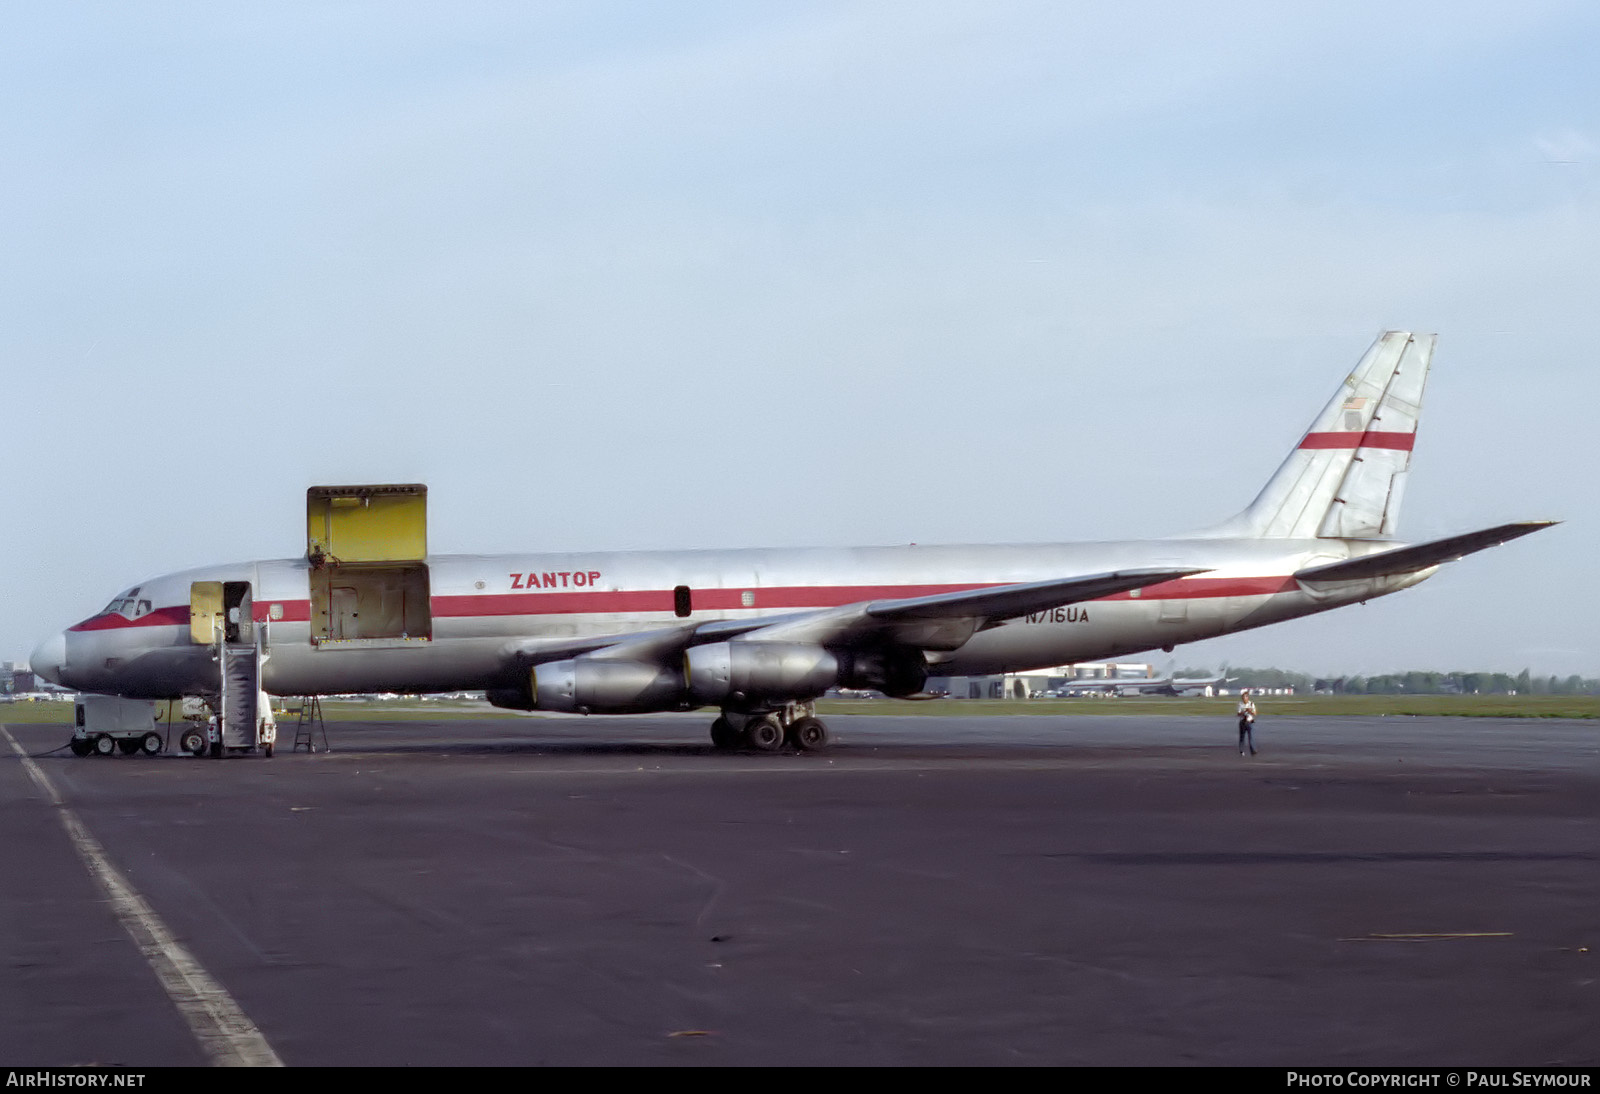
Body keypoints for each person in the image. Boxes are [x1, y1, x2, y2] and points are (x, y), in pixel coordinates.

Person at [1237, 690, 1257, 755]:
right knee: (1242, 737)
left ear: (1247, 697)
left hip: (1249, 722)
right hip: (1243, 722)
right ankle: (1241, 750)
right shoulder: (1240, 704)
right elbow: (1238, 713)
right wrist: (1245, 710)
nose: (1243, 699)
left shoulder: (1251, 704)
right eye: (1243, 697)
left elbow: (1255, 713)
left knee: (1251, 737)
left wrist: (1250, 711)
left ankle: (1253, 750)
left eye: (1245, 697)